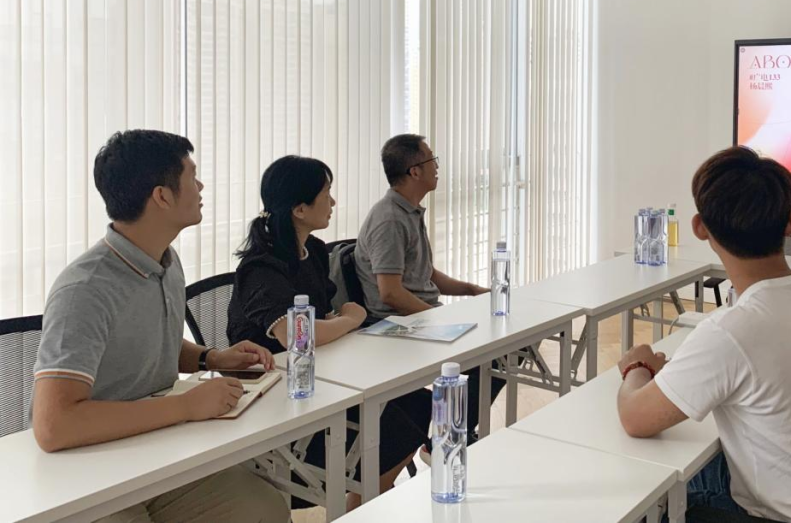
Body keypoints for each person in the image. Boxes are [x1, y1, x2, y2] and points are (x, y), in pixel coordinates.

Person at [32, 130, 289, 523]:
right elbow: (54, 425)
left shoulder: (165, 260)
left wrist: (212, 358)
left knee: (264, 508)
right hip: (86, 473)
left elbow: (148, 341)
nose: (201, 187)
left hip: (156, 451)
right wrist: (186, 406)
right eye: (192, 176)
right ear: (162, 196)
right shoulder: (85, 289)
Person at [615, 147, 791, 521]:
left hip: (780, 517)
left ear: (699, 227)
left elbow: (634, 418)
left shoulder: (731, 331)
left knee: (642, 486)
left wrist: (637, 366)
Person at [227, 155, 431, 507]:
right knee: (393, 425)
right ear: (300, 209)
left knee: (418, 403)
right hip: (277, 399)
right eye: (326, 194)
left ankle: (365, 500)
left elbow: (323, 317)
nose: (333, 202)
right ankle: (364, 502)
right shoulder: (261, 267)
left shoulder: (314, 251)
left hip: (322, 380)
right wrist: (349, 320)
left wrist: (338, 321)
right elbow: (298, 336)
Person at [330, 133, 503, 441]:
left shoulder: (408, 211)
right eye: (432, 160)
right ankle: (447, 439)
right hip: (395, 324)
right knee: (495, 357)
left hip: (419, 318)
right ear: (414, 171)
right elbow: (390, 293)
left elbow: (426, 273)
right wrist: (440, 321)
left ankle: (452, 433)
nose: (437, 167)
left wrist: (472, 290)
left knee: (506, 348)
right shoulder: (390, 220)